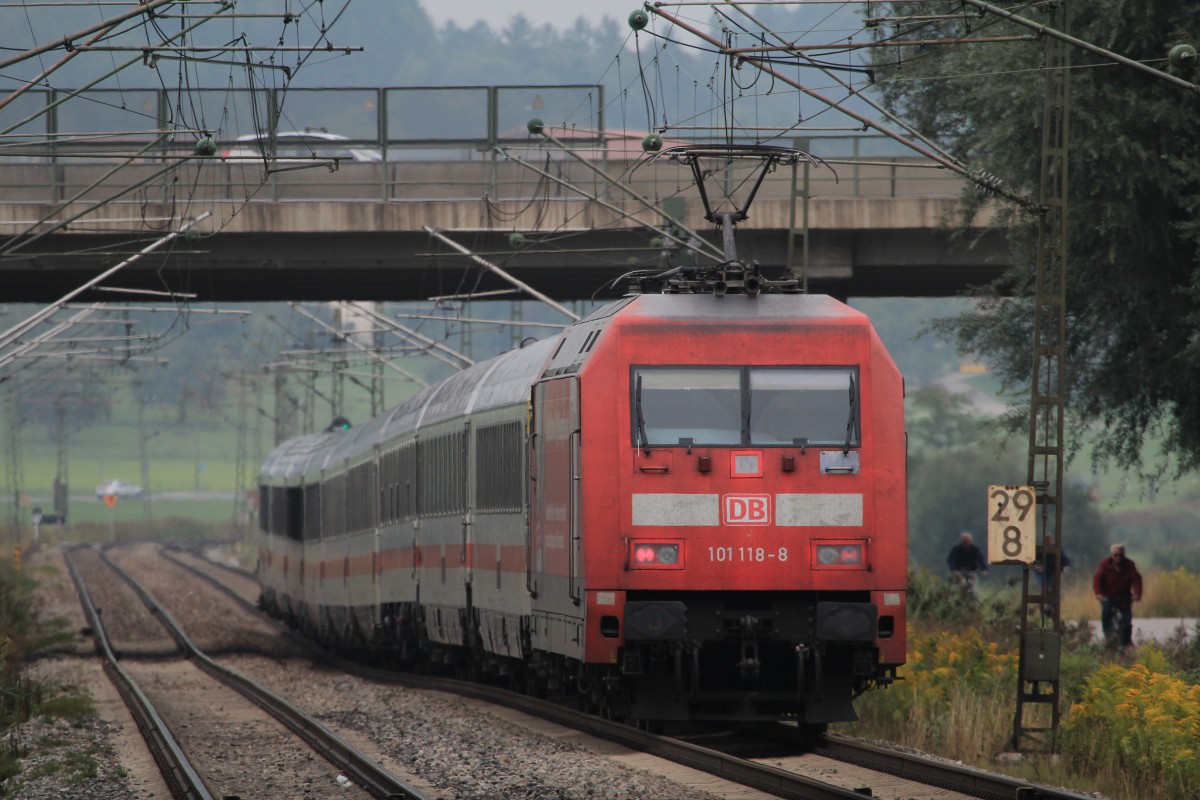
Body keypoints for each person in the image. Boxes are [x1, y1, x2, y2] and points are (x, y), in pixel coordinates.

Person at [1092, 544, 1143, 651]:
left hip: (1124, 597)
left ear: (1124, 555)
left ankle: (1127, 642)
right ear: (1111, 555)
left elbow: (1136, 579)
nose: (1118, 557)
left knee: (1126, 619)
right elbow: (1097, 579)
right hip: (1108, 596)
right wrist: (1098, 593)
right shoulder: (1104, 564)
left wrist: (1137, 594)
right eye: (1115, 555)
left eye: (1120, 555)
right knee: (1106, 613)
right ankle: (1108, 638)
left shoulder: (1129, 565)